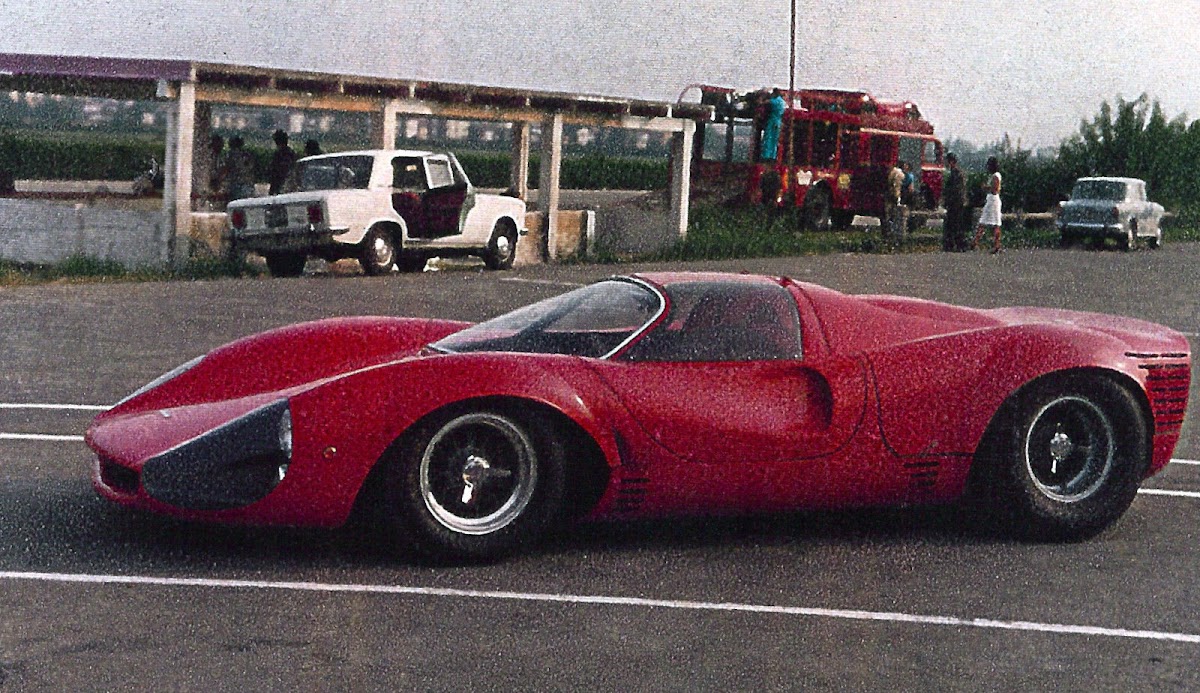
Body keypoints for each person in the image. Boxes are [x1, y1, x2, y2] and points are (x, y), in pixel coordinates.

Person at [973, 156, 1003, 253]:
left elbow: (995, 189)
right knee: (994, 223)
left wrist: (985, 187)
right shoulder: (996, 175)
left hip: (992, 201)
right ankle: (995, 245)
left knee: (985, 222)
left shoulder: (995, 176)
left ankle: (975, 242)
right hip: (992, 200)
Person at [941, 153, 968, 251]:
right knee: (954, 224)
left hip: (956, 203)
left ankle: (957, 244)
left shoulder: (956, 174)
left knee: (955, 224)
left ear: (951, 162)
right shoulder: (956, 173)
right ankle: (955, 244)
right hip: (956, 202)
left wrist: (948, 199)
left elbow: (956, 190)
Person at [225, 135, 257, 201]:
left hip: (235, 184)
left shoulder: (231, 155)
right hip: (248, 184)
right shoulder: (247, 155)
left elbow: (227, 168)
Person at [759, 88, 786, 162]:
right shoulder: (782, 101)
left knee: (768, 138)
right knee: (775, 139)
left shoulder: (774, 101)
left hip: (772, 120)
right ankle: (773, 155)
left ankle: (766, 155)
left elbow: (764, 102)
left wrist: (761, 100)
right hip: (778, 121)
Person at [267, 129, 297, 195]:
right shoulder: (291, 153)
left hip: (278, 184)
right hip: (288, 183)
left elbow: (273, 170)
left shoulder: (278, 154)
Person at [883, 162, 905, 245]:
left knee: (887, 216)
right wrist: (897, 198)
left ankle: (887, 236)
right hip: (892, 197)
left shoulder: (892, 173)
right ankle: (894, 237)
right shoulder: (898, 173)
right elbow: (897, 187)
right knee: (893, 216)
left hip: (888, 196)